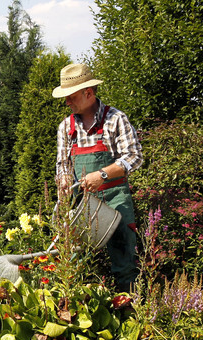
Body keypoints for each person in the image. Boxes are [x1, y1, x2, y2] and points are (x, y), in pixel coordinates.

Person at [53, 62, 143, 292]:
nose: (67, 102)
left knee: (125, 260)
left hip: (115, 199)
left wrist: (103, 174)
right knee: (73, 262)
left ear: (88, 93)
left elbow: (134, 157)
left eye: (71, 96)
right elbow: (62, 165)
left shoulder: (115, 119)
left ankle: (128, 309)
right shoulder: (66, 127)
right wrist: (64, 180)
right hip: (83, 204)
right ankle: (77, 310)